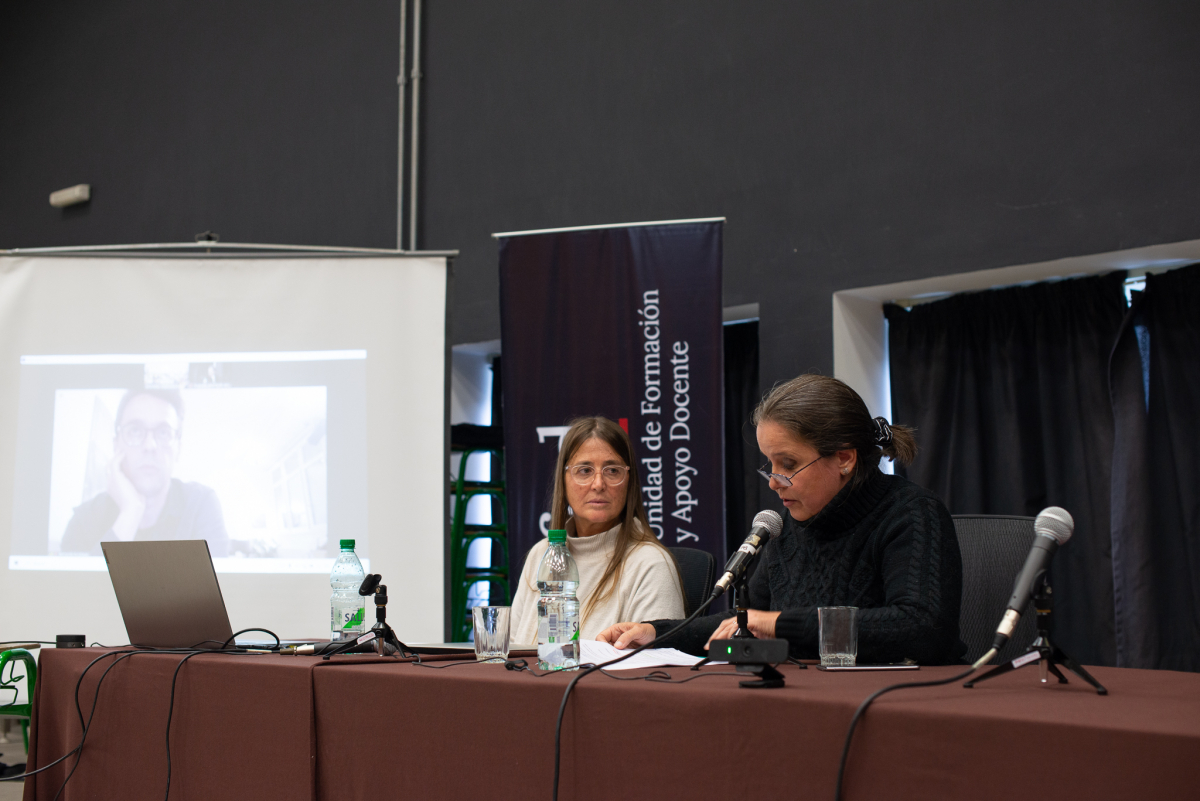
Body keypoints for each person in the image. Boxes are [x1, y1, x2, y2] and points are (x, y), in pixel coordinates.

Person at [598, 375, 967, 665]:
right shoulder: (789, 526)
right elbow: (744, 621)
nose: (774, 482)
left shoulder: (910, 512)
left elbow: (922, 628)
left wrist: (776, 624)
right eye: (769, 465)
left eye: (788, 465)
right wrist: (656, 632)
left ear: (844, 459)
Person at [509, 416, 685, 644]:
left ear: (629, 481)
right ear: (564, 480)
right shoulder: (541, 553)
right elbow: (512, 651)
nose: (599, 484)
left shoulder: (651, 564)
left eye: (612, 470)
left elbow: (656, 670)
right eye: (584, 471)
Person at [59, 389, 230, 556]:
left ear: (179, 448)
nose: (150, 445)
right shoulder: (84, 521)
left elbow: (219, 584)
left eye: (163, 432)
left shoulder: (200, 506)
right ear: (116, 445)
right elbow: (81, 585)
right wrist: (130, 512)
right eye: (135, 431)